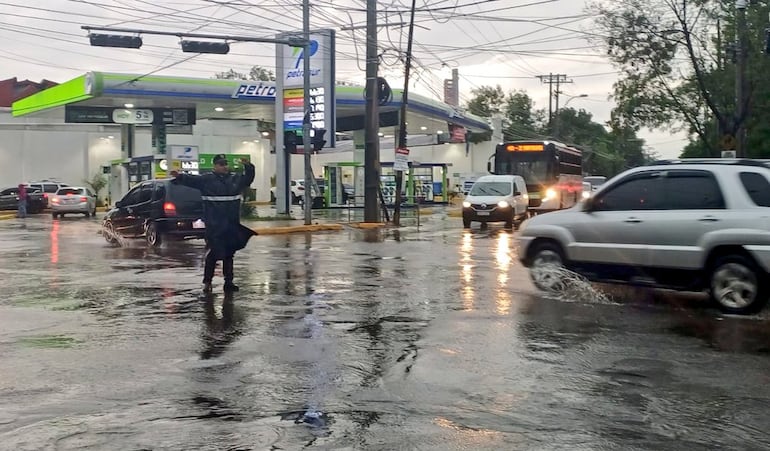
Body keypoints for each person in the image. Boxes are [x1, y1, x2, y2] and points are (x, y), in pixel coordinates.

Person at [171, 155, 255, 293]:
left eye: (225, 164)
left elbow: (248, 178)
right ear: (215, 166)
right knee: (214, 253)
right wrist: (179, 176)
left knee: (229, 254)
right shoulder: (206, 180)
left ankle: (229, 282)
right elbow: (191, 180)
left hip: (231, 224)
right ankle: (207, 282)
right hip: (214, 225)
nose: (224, 167)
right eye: (221, 164)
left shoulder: (235, 179)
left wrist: (249, 166)